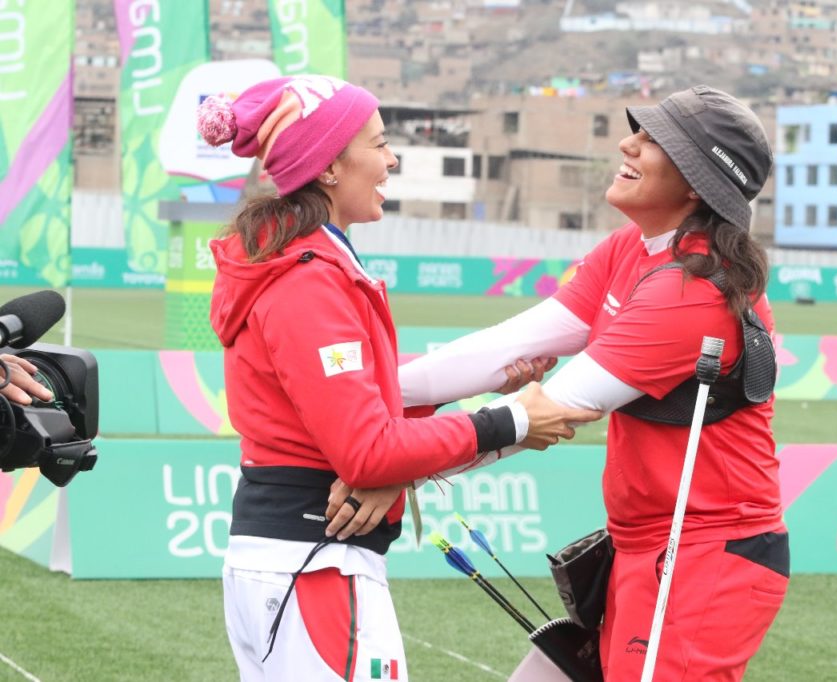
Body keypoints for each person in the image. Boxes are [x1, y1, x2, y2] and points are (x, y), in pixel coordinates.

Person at [376, 85, 787, 680]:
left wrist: (386, 461)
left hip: (704, 559)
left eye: (653, 140)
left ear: (696, 181)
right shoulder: (630, 249)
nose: (628, 143)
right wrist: (370, 400)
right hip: (641, 548)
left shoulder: (693, 291)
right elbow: (505, 348)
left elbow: (551, 410)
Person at [197, 75, 600, 682]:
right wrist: (512, 419)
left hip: (297, 565)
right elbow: (367, 451)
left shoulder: (310, 263)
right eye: (379, 143)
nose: (391, 159)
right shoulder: (309, 278)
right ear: (329, 166)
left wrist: (491, 399)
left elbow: (361, 412)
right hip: (315, 569)